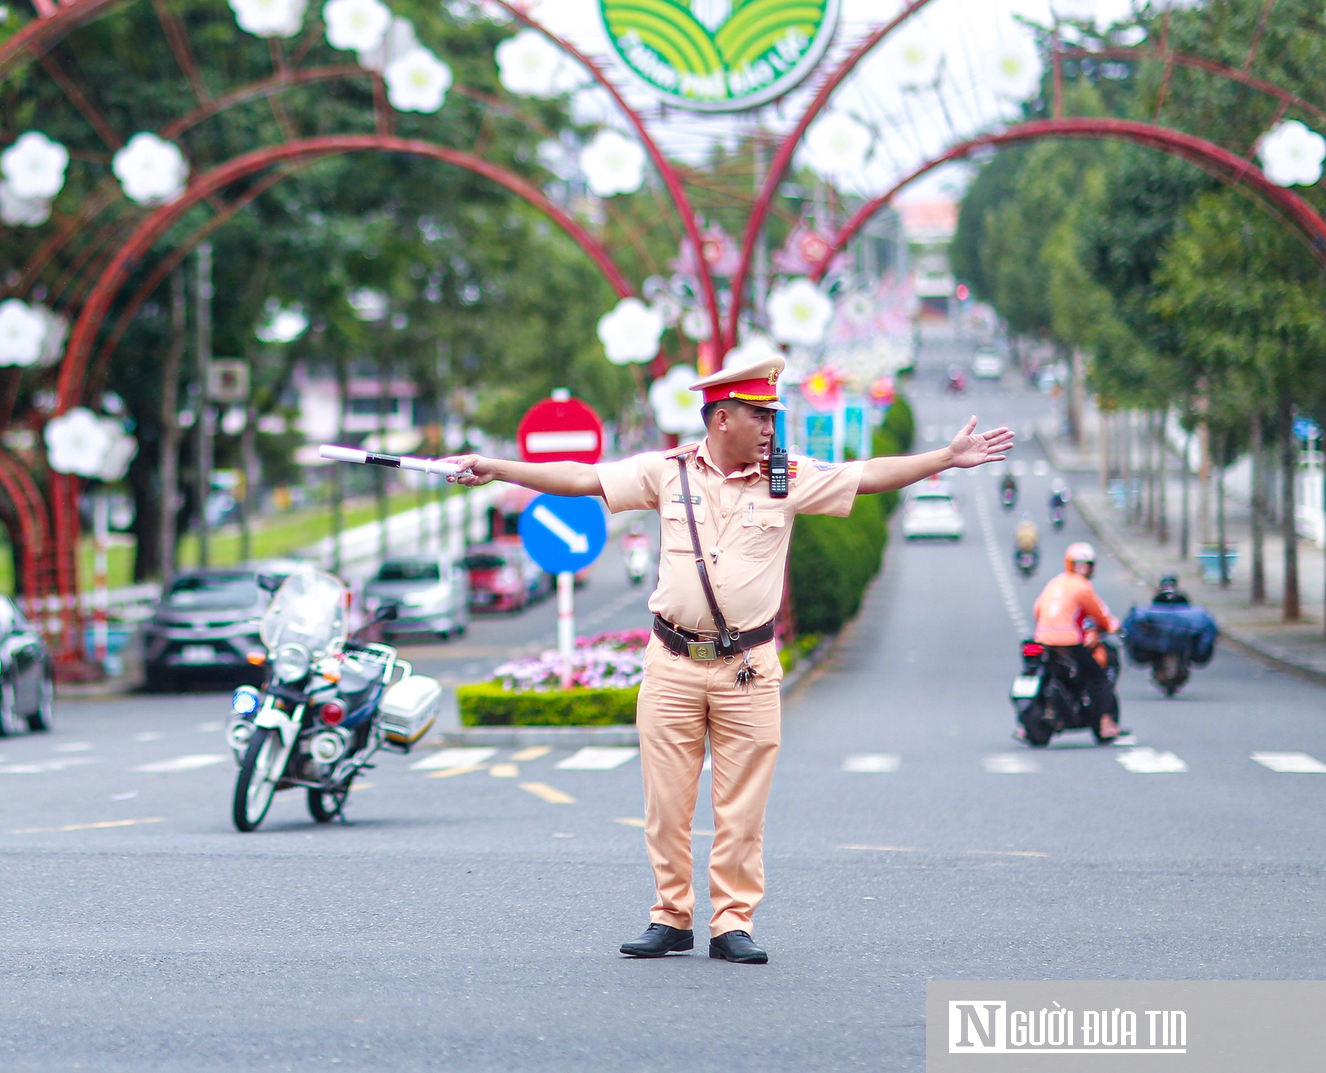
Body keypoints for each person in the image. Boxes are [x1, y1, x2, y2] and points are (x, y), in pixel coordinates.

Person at [443, 358, 1015, 965]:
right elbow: (584, 479)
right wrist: (497, 469)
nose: (770, 427)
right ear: (721, 418)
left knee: (741, 809)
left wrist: (944, 458)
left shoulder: (786, 478)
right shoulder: (666, 474)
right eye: (758, 415)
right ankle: (670, 916)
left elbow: (869, 474)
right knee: (666, 806)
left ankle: (732, 922)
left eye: (773, 416)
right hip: (672, 662)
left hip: (748, 667)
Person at [1031, 541, 1120, 741]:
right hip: (1068, 642)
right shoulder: (1083, 587)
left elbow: (1037, 610)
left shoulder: (1055, 583)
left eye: (1085, 565)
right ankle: (1105, 722)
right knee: (1098, 678)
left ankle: (1026, 724)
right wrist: (1111, 626)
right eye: (1080, 565)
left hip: (1042, 639)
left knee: (1045, 671)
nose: (1083, 569)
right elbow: (1100, 615)